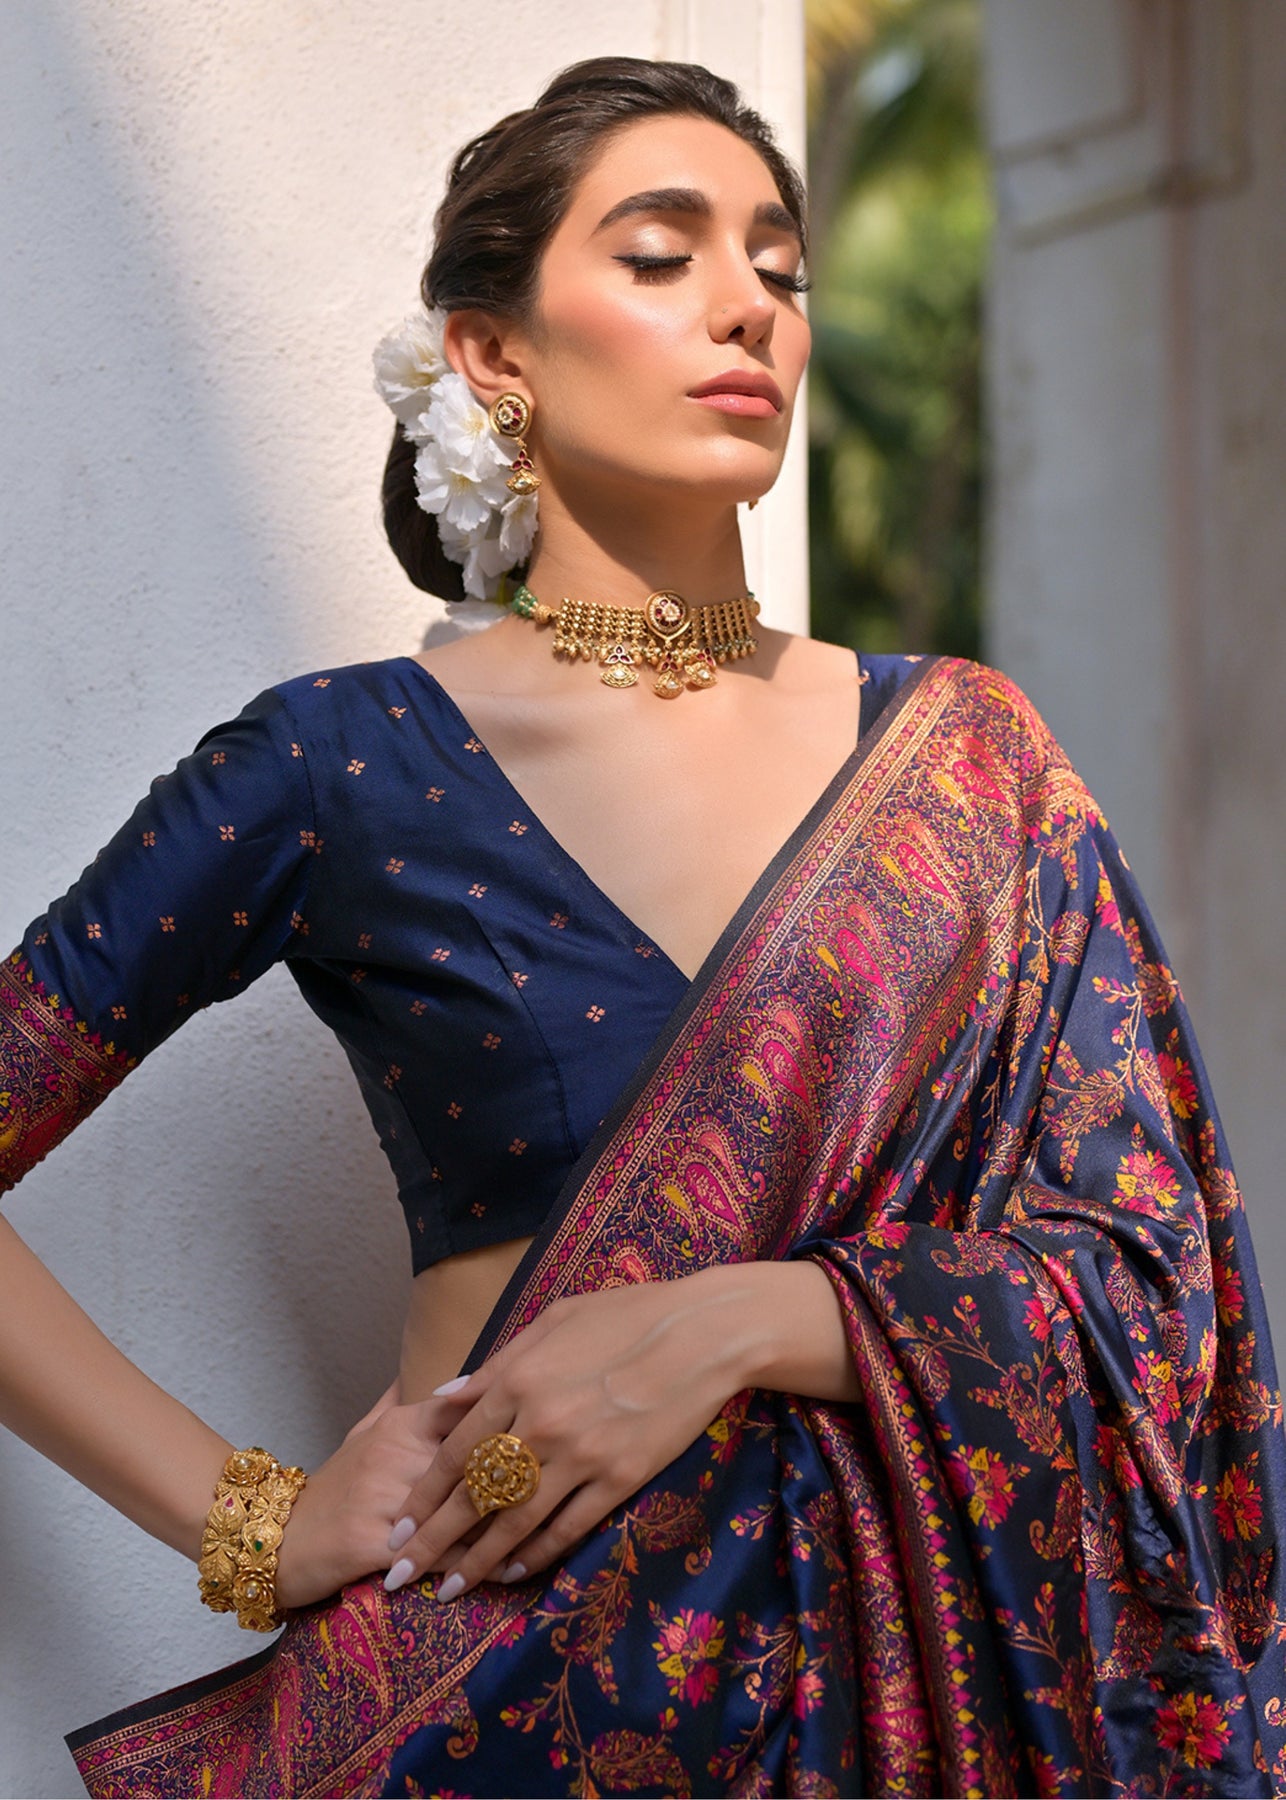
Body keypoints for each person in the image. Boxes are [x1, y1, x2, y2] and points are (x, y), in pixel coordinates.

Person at [2, 54, 1284, 1799]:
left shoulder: (970, 760)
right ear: (493, 354)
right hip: (495, 1704)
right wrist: (254, 1522)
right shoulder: (338, 764)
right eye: (662, 254)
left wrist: (749, 1317)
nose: (748, 304)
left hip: (914, 1713)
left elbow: (1152, 1274)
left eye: (780, 266)